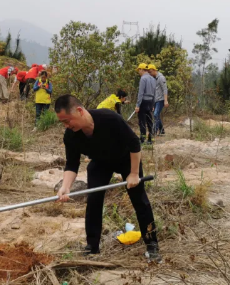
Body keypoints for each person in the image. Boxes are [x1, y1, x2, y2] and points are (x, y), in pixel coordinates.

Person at [54, 94, 161, 262]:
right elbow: (72, 164)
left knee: (139, 199)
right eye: (63, 123)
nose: (67, 126)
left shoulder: (110, 118)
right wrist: (66, 186)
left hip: (127, 159)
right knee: (94, 199)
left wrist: (133, 174)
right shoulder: (71, 136)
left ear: (80, 111)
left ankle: (152, 244)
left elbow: (134, 143)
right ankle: (92, 246)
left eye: (67, 121)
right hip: (101, 162)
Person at [135, 63, 156, 144]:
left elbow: (141, 93)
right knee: (149, 121)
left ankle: (142, 139)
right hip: (150, 101)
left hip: (143, 102)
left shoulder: (143, 79)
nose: (138, 72)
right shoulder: (153, 79)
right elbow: (155, 93)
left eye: (139, 70)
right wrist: (153, 104)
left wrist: (137, 105)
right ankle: (150, 139)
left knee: (142, 121)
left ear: (141, 69)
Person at [148, 64, 168, 136]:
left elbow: (165, 89)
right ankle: (162, 130)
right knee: (156, 115)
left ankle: (154, 132)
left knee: (156, 114)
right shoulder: (154, 78)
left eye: (150, 72)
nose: (150, 74)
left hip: (161, 100)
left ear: (154, 70)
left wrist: (165, 100)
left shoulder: (161, 78)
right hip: (155, 100)